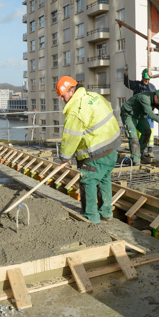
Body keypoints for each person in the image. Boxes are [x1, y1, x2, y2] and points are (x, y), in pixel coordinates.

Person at [56, 76, 121, 224]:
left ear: (71, 91)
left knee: (88, 181)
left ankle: (90, 218)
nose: (62, 99)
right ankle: (106, 213)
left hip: (96, 152)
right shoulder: (95, 96)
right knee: (104, 178)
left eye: (63, 95)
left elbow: (71, 137)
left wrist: (65, 157)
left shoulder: (75, 110)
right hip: (112, 147)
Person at [120, 89, 159, 165]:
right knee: (133, 137)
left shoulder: (155, 100)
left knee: (147, 131)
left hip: (138, 115)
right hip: (128, 115)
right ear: (156, 96)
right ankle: (136, 160)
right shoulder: (144, 98)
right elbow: (149, 114)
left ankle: (140, 154)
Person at [124, 67, 156, 157]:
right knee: (136, 134)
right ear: (142, 77)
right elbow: (127, 83)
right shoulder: (136, 85)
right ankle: (140, 152)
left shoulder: (152, 87)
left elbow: (155, 99)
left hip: (148, 114)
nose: (146, 80)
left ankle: (149, 150)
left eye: (148, 79)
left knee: (149, 132)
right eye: (145, 79)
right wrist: (125, 75)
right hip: (137, 114)